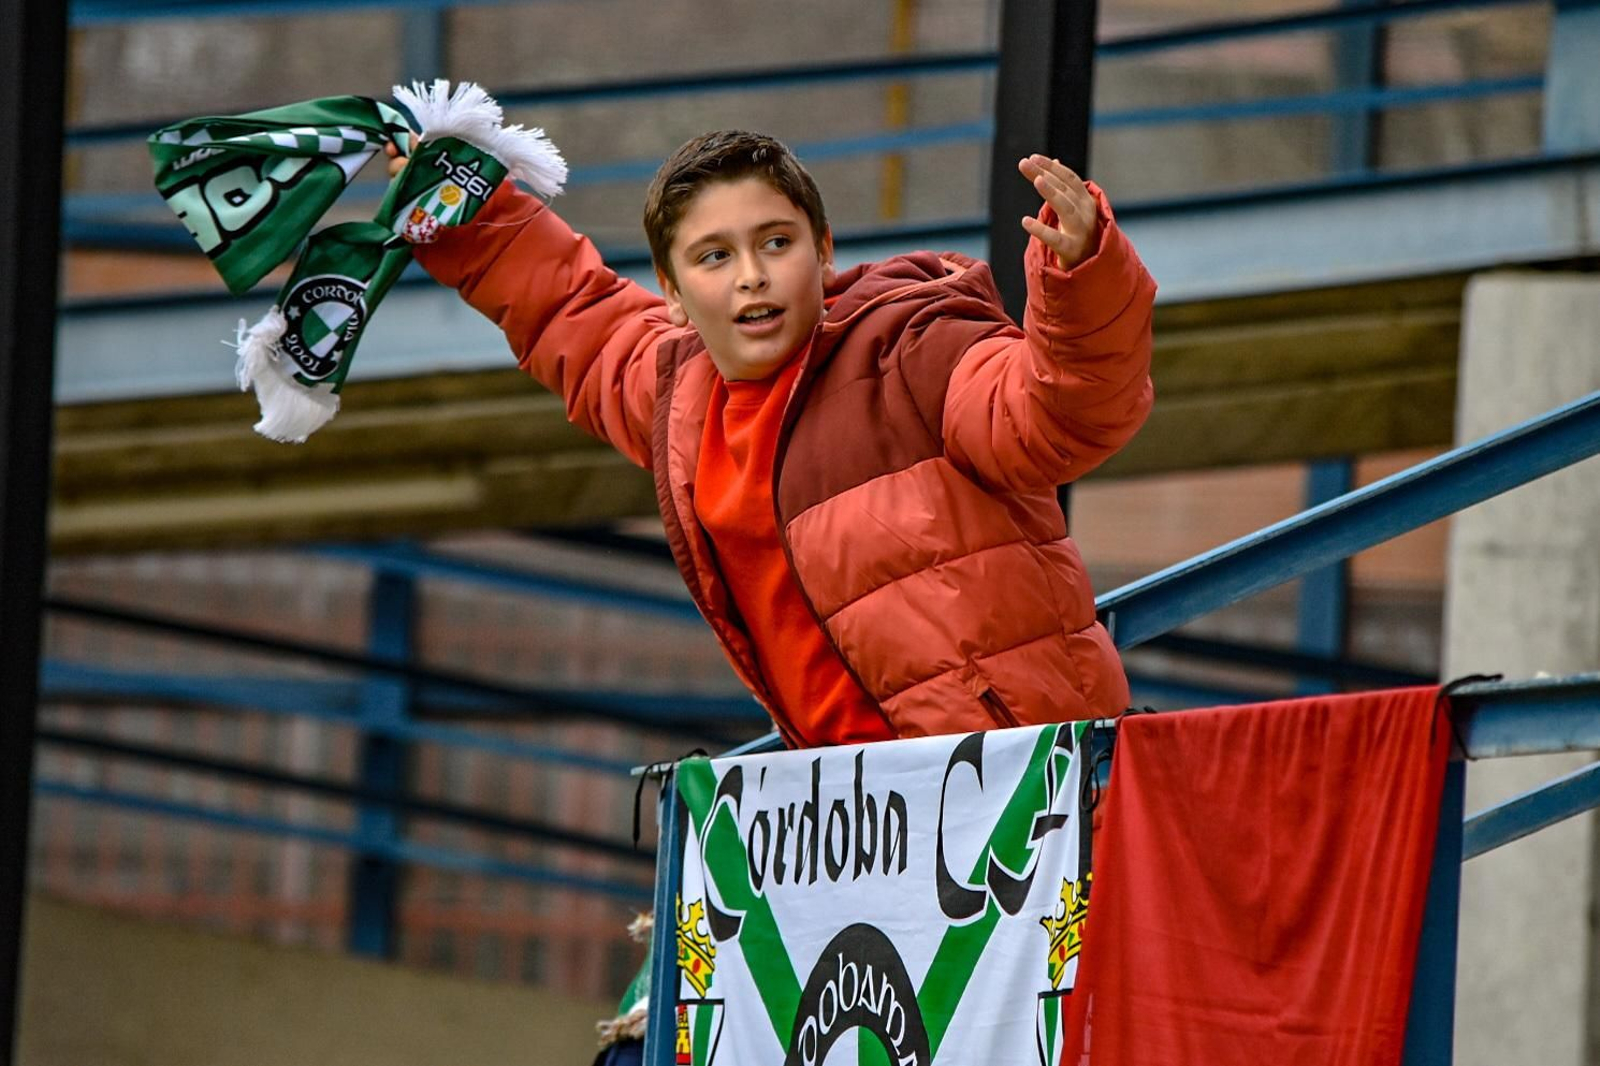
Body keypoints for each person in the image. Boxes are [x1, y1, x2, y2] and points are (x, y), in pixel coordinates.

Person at [388, 129, 1155, 749]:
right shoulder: (680, 397)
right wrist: (457, 204)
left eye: (776, 243)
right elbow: (566, 310)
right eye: (714, 256)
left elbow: (1066, 417)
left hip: (1039, 800)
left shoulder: (917, 348)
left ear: (822, 252)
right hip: (871, 833)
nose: (751, 275)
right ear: (674, 291)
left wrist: (1084, 277)